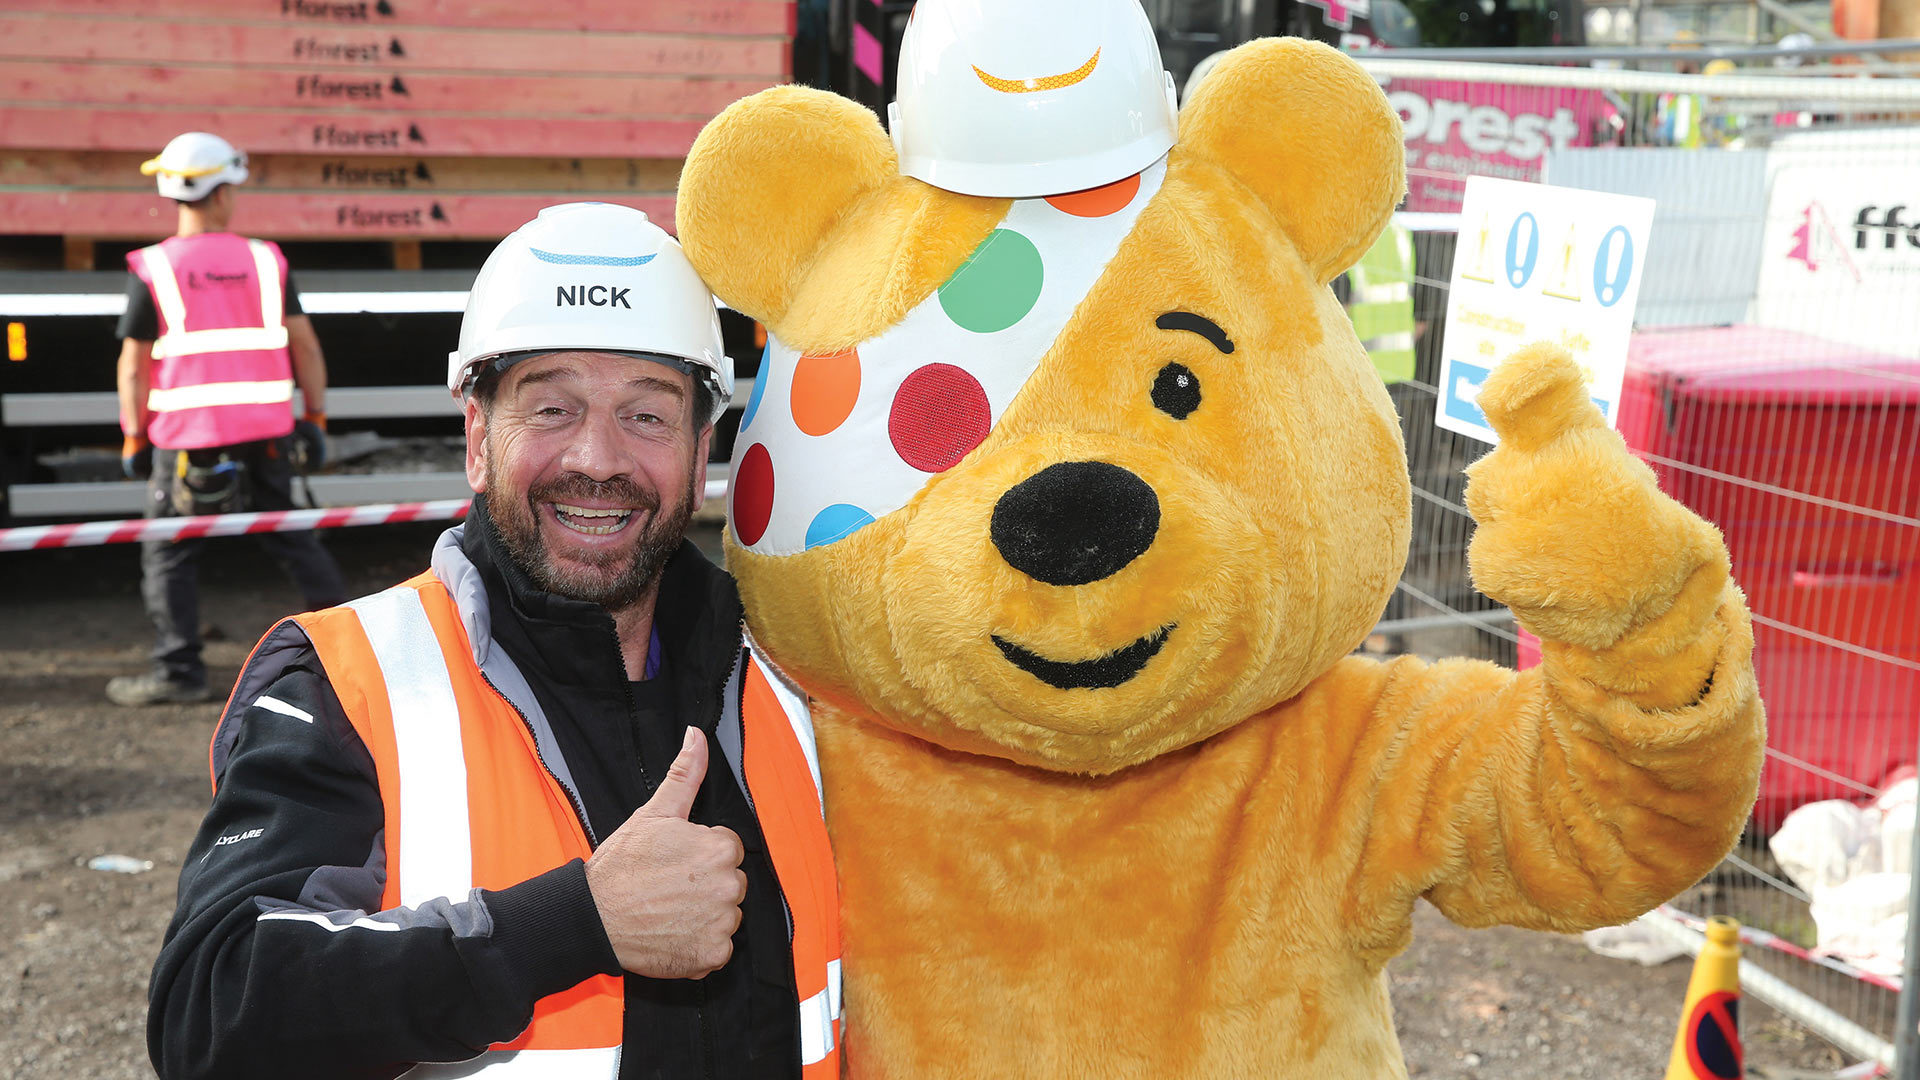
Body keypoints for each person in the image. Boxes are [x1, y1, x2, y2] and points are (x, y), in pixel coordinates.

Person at [148, 202, 842, 1079]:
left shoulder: (793, 672)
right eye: (550, 407)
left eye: (648, 415)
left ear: (703, 446)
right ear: (477, 438)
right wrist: (573, 925)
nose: (597, 457)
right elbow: (212, 1018)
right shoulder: (349, 682)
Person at [108, 131, 346, 707]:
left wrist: (133, 434)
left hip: (185, 442)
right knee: (293, 537)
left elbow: (134, 365)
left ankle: (180, 670)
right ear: (220, 195)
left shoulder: (155, 267)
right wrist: (313, 415)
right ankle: (351, 652)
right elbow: (306, 347)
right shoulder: (266, 261)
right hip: (266, 432)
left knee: (169, 551)